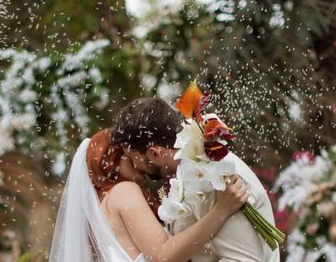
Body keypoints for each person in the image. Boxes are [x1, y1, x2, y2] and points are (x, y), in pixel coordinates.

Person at [49, 99, 249, 262]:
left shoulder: (104, 205)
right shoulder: (123, 191)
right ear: (111, 162)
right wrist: (221, 211)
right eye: (127, 155)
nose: (135, 161)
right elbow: (162, 255)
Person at [111, 98, 280, 262]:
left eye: (134, 159)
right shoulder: (186, 173)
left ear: (155, 153)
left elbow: (244, 259)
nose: (135, 168)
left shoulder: (216, 177)